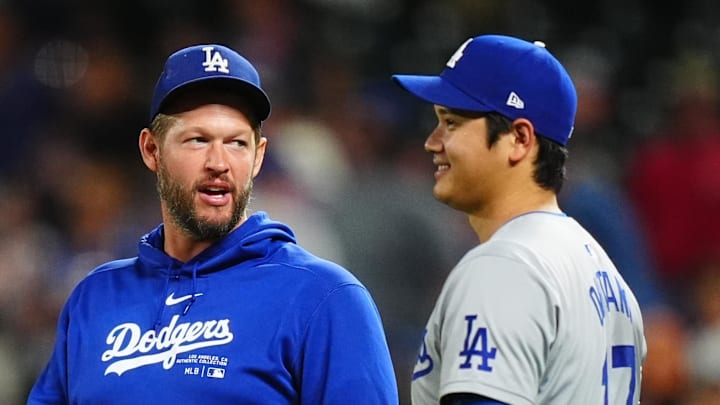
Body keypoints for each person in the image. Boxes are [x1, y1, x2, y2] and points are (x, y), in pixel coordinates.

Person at [27, 43, 398, 404]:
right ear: (151, 150)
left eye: (237, 143)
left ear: (258, 157)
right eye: (198, 140)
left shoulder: (323, 297)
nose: (219, 162)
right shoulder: (95, 297)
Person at [391, 34, 646, 404]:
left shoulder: (506, 265)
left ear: (519, 139)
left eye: (452, 123)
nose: (432, 142)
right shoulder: (606, 276)